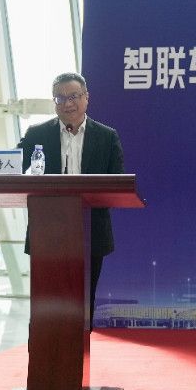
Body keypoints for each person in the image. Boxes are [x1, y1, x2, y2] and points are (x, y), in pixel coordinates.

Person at [18, 72, 124, 326]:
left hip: (91, 231)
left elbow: (116, 182)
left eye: (74, 96)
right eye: (60, 98)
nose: (67, 103)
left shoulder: (107, 137)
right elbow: (12, 167)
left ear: (86, 98)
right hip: (47, 231)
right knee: (47, 302)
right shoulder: (37, 135)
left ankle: (81, 349)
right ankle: (47, 350)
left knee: (84, 301)